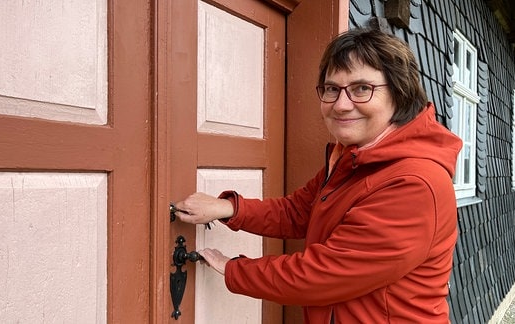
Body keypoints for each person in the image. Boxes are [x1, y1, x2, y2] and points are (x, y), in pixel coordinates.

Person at [173, 28, 462, 323]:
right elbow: (299, 211)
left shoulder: (413, 183)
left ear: (400, 94)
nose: (341, 104)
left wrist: (234, 269)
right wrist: (228, 208)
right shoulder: (355, 157)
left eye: (362, 88)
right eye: (331, 89)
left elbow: (322, 275)